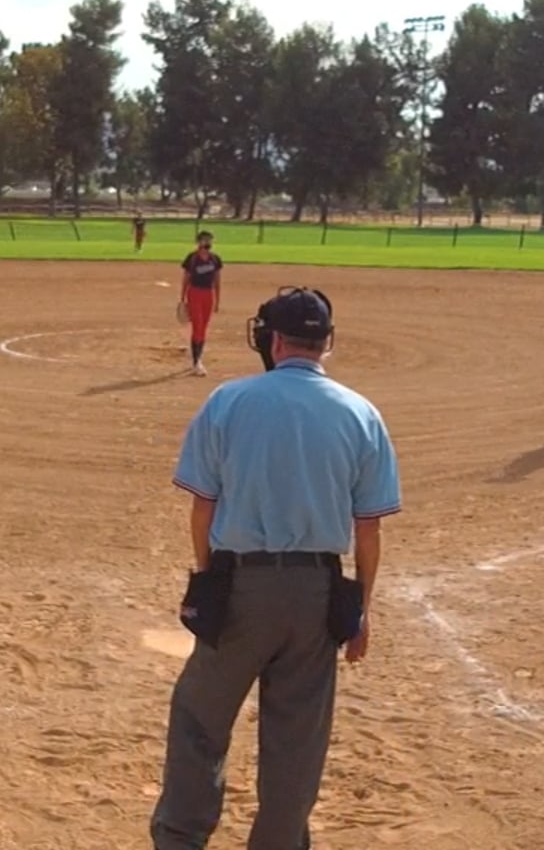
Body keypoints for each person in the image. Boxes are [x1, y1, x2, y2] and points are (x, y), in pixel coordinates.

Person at [152, 287, 400, 850]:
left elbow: (203, 508)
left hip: (241, 586)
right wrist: (360, 611)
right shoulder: (361, 413)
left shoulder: (229, 401)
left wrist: (209, 579)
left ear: (274, 341)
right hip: (316, 594)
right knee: (297, 741)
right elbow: (369, 529)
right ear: (326, 342)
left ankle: (180, 840)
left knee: (199, 719)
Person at [178, 231, 223, 377]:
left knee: (203, 327)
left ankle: (197, 358)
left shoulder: (215, 259)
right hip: (194, 293)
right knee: (197, 326)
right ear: (198, 242)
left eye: (209, 240)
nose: (208, 243)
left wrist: (217, 300)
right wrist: (182, 298)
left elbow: (217, 281)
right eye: (205, 240)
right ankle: (196, 362)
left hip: (208, 294)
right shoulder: (192, 258)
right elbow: (186, 278)